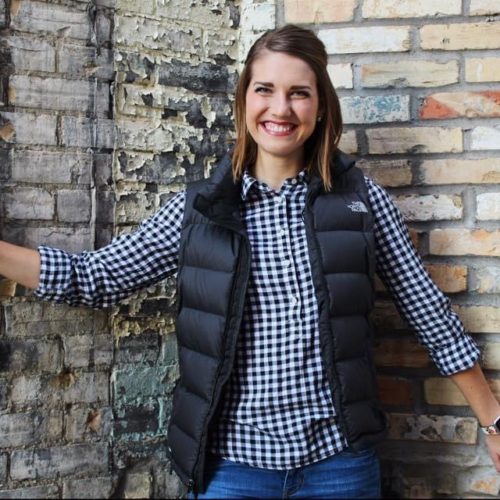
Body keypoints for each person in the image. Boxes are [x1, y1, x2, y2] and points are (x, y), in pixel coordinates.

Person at [0, 24, 499, 499]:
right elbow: (97, 277)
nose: (280, 108)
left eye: (299, 93)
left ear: (321, 107)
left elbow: (429, 314)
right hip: (230, 471)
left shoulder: (360, 201)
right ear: (243, 101)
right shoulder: (201, 210)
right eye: (265, 89)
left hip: (339, 467)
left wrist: (493, 422)